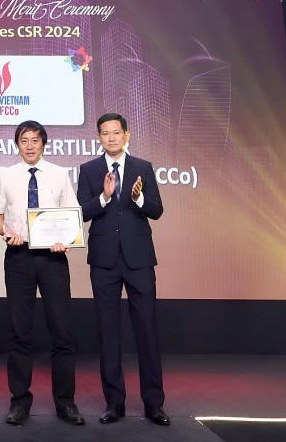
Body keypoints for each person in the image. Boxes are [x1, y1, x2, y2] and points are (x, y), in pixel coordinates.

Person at [0, 120, 85, 426]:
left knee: (63, 331)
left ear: (44, 143)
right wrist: (6, 232)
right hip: (19, 258)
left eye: (35, 140)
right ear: (17, 144)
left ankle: (66, 402)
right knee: (20, 332)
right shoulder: (6, 175)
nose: (29, 145)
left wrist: (65, 239)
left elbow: (72, 216)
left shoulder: (59, 174)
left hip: (53, 259)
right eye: (24, 140)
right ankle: (19, 401)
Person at [76, 113, 170, 426]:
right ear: (99, 137)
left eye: (116, 132)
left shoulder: (143, 167)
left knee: (147, 330)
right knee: (108, 332)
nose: (111, 138)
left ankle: (154, 404)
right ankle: (114, 403)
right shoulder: (89, 170)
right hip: (104, 261)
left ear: (126, 135)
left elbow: (157, 210)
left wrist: (138, 197)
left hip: (139, 259)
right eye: (105, 133)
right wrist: (104, 197)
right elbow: (82, 212)